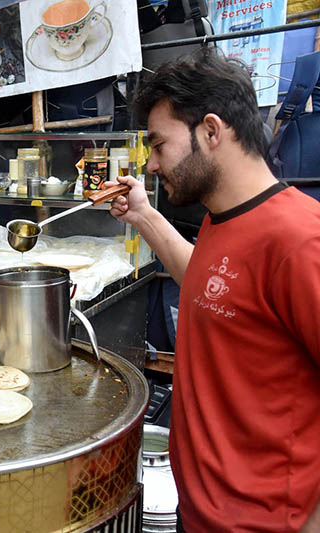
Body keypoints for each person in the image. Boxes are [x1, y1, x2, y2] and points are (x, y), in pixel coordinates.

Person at [110, 49, 320, 532]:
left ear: (210, 131)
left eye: (159, 145)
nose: (153, 165)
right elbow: (210, 286)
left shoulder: (298, 240)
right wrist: (143, 214)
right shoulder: (223, 218)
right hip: (203, 512)